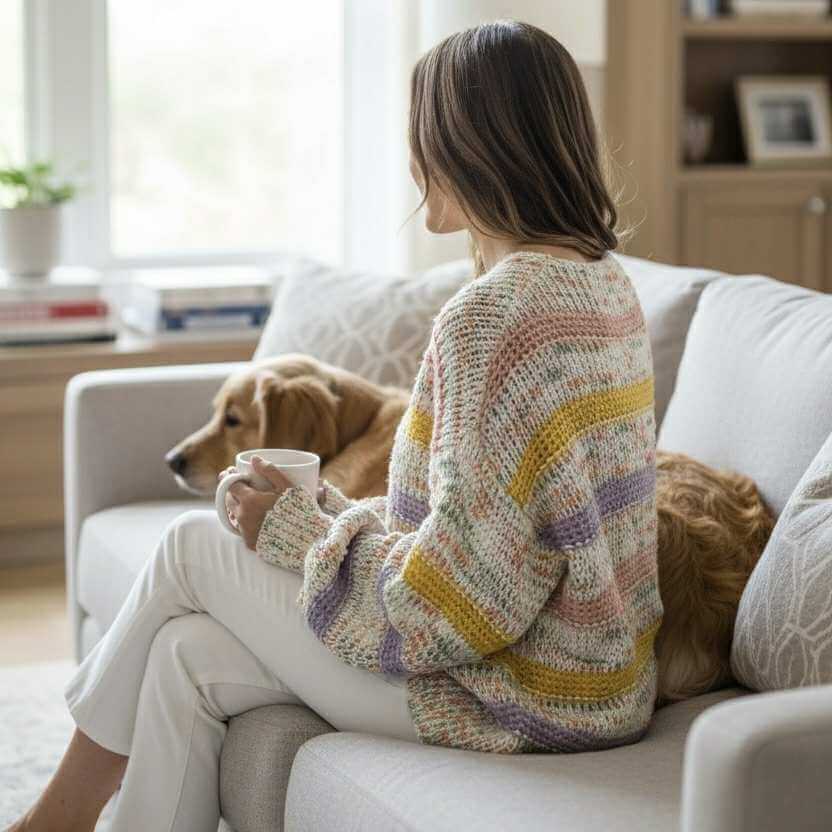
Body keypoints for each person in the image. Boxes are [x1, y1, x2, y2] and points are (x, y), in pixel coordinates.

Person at [8, 19, 662, 832]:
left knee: (188, 547)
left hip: (518, 694)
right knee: (181, 658)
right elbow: (501, 543)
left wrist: (292, 533)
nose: (415, 163)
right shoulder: (608, 288)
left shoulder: (494, 318)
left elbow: (455, 608)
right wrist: (331, 521)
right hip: (598, 684)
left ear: (474, 148)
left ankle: (50, 823)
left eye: (425, 138)